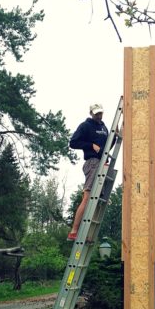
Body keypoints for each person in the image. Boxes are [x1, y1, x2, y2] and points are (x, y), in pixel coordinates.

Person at [67, 103, 109, 240]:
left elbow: (108, 145)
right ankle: (74, 231)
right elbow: (73, 142)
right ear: (91, 113)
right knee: (87, 197)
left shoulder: (104, 127)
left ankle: (87, 233)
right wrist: (90, 145)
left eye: (100, 113)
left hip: (102, 164)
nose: (99, 115)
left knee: (97, 200)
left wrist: (118, 135)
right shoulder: (85, 126)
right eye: (96, 113)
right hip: (92, 162)